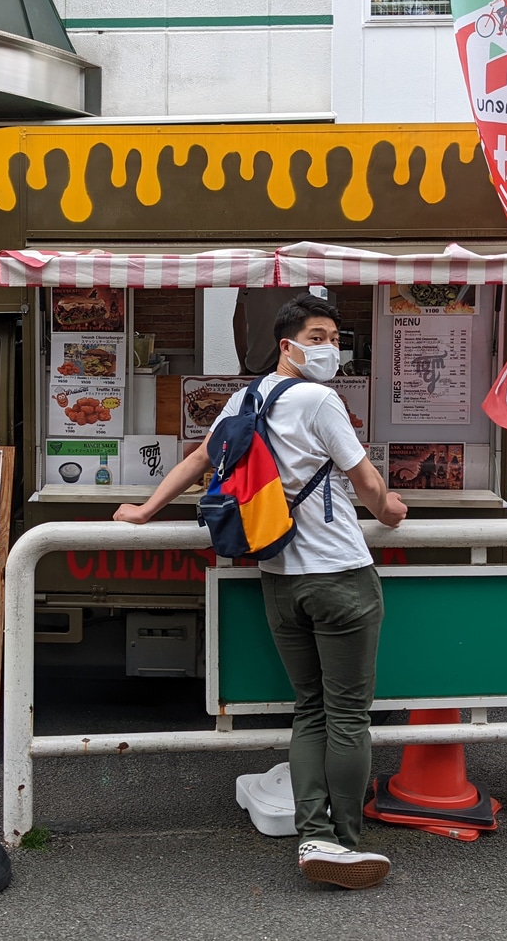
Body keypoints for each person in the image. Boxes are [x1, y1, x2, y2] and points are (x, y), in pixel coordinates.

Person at [117, 293, 407, 890]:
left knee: (308, 710)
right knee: (348, 715)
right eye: (320, 336)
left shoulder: (242, 399)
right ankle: (344, 840)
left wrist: (146, 510)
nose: (331, 348)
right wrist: (393, 510)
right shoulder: (321, 399)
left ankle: (312, 835)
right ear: (289, 344)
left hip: (278, 578)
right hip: (340, 576)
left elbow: (199, 459)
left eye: (334, 336)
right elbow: (367, 481)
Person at [233, 287, 337, 376]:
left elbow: (239, 321)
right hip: (273, 358)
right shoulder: (300, 265)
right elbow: (239, 321)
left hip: (261, 359)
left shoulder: (250, 270)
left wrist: (244, 363)